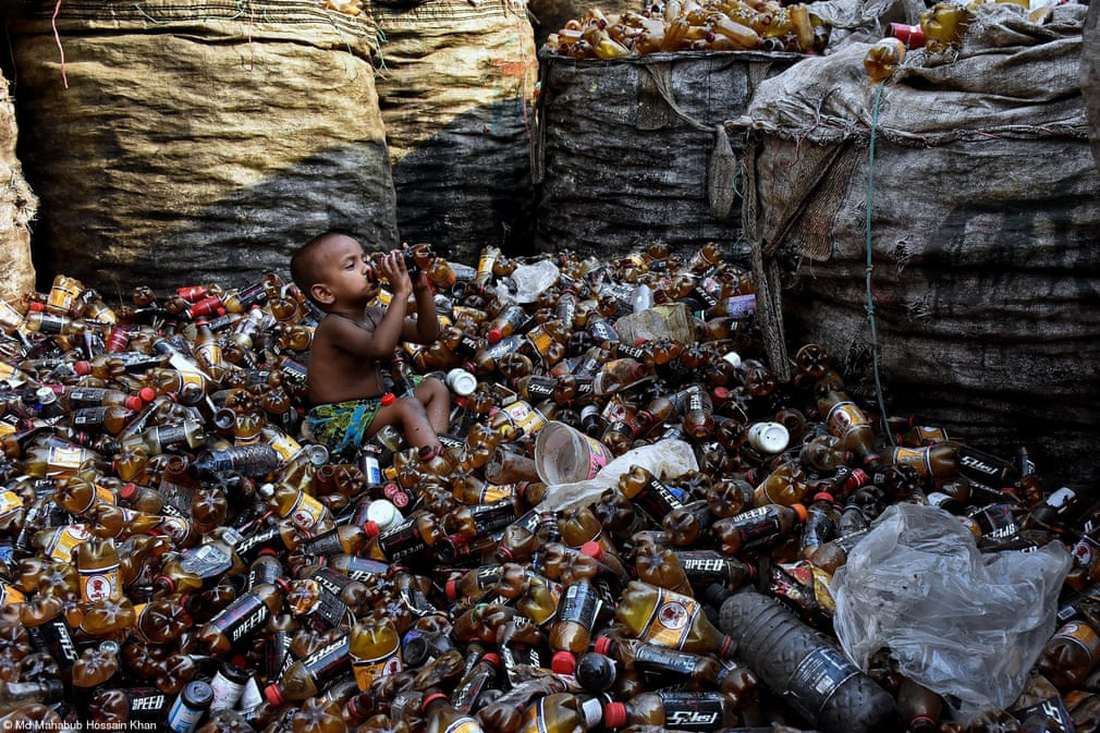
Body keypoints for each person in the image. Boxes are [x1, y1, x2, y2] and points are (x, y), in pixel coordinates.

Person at [290, 231, 450, 461]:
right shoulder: (333, 327)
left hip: (374, 407)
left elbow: (427, 334)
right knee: (408, 406)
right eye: (351, 266)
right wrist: (400, 294)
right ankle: (438, 466)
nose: (367, 268)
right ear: (324, 293)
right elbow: (380, 348)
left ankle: (435, 443)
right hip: (339, 421)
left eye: (365, 259)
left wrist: (420, 286)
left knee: (435, 386)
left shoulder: (374, 314)